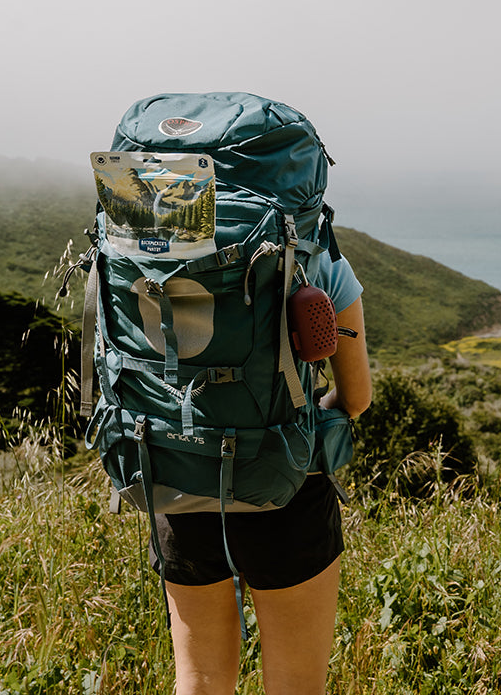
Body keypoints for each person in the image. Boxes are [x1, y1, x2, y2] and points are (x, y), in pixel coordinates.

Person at [150, 250, 372, 695]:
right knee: (296, 687)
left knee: (198, 683)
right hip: (289, 491)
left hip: (180, 482)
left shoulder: (148, 253)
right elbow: (355, 399)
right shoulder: (318, 259)